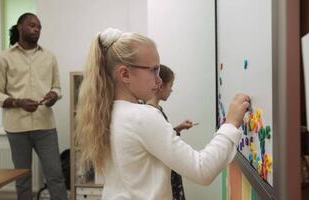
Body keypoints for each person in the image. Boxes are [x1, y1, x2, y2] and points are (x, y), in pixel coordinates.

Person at [75, 27, 250, 200]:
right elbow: (202, 170)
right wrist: (231, 124)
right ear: (125, 74)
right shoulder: (142, 116)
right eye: (153, 70)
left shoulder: (107, 112)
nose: (159, 80)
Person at [0, 13, 68, 200]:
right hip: (17, 128)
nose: (36, 29)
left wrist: (54, 95)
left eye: (39, 27)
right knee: (22, 179)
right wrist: (17, 102)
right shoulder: (3, 59)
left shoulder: (50, 57)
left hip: (45, 126)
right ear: (20, 27)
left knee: (55, 176)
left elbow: (57, 87)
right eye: (32, 25)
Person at [147, 64, 193, 200]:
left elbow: (160, 139)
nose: (171, 90)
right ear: (160, 85)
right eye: (170, 85)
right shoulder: (151, 114)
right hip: (165, 179)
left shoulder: (157, 110)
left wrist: (178, 128)